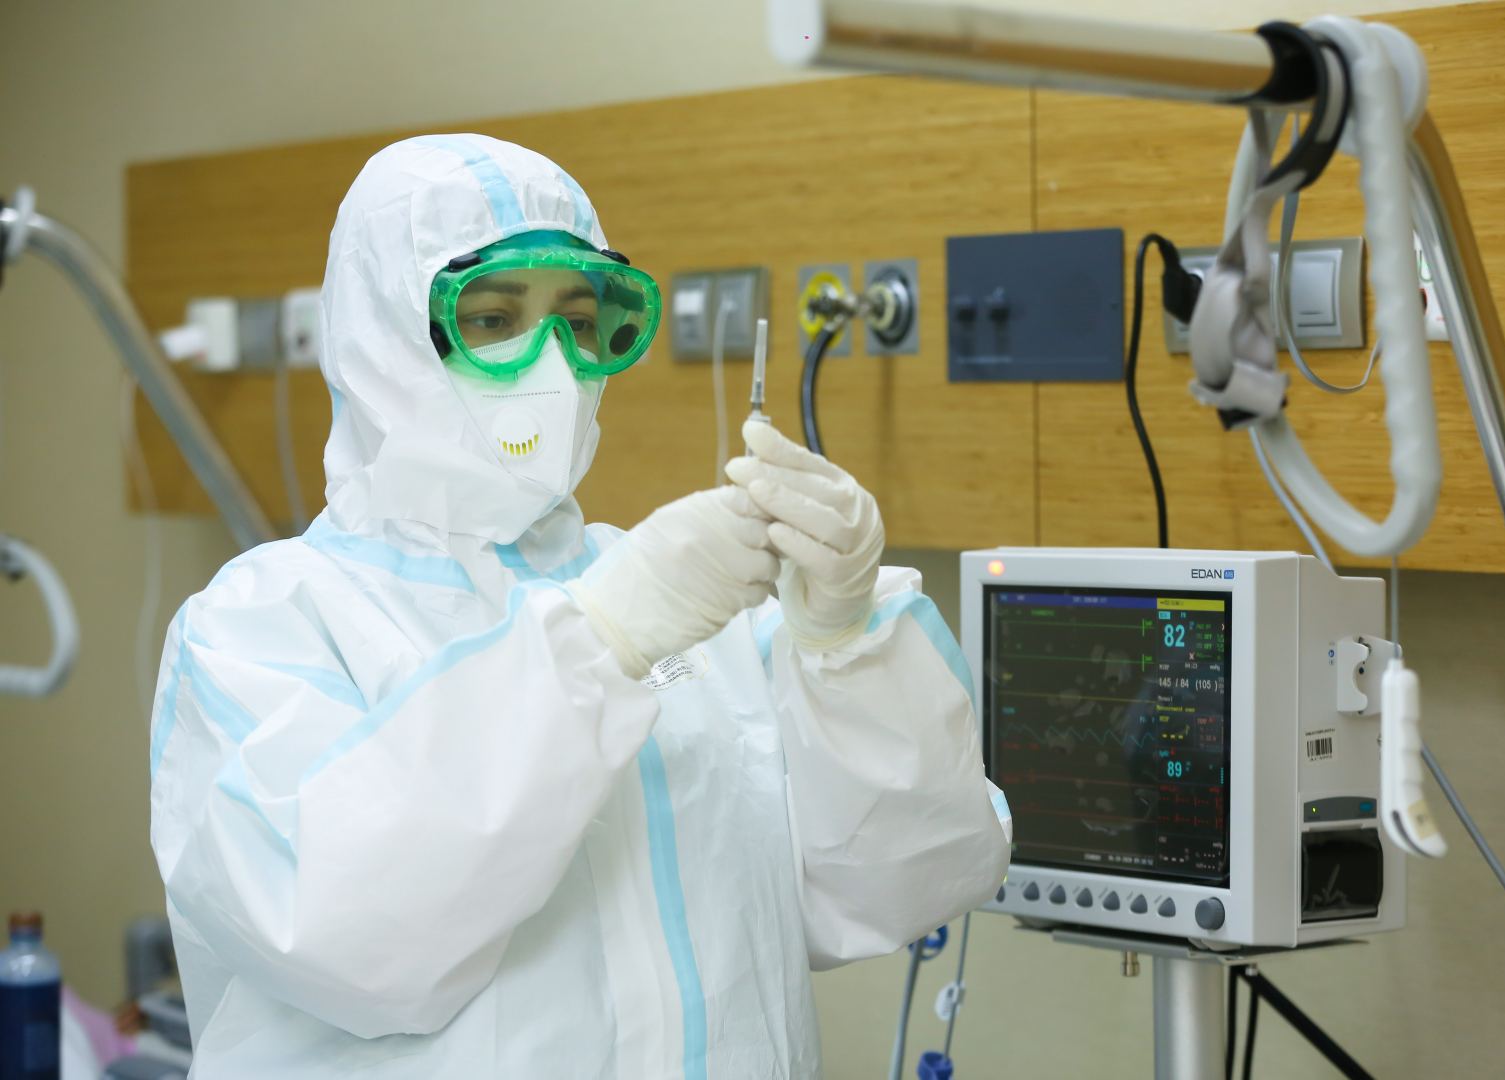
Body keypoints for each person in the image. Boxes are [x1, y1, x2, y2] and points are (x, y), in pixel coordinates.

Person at [147, 133, 1011, 1078]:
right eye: (493, 319)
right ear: (384, 334)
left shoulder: (693, 609)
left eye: (580, 320)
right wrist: (600, 642)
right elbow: (348, 939)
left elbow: (903, 883)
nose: (554, 365)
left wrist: (843, 644)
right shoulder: (266, 628)